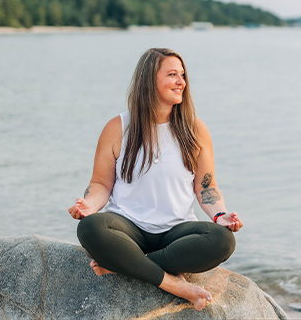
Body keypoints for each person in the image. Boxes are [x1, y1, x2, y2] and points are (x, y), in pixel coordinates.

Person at [68, 48, 243, 310]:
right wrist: (89, 206)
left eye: (182, 75)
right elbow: (101, 184)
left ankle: (124, 265)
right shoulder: (118, 127)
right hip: (128, 225)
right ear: (149, 80)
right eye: (172, 74)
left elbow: (206, 186)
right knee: (90, 228)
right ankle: (172, 283)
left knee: (223, 241)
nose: (181, 81)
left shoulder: (195, 129)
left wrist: (221, 215)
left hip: (177, 230)